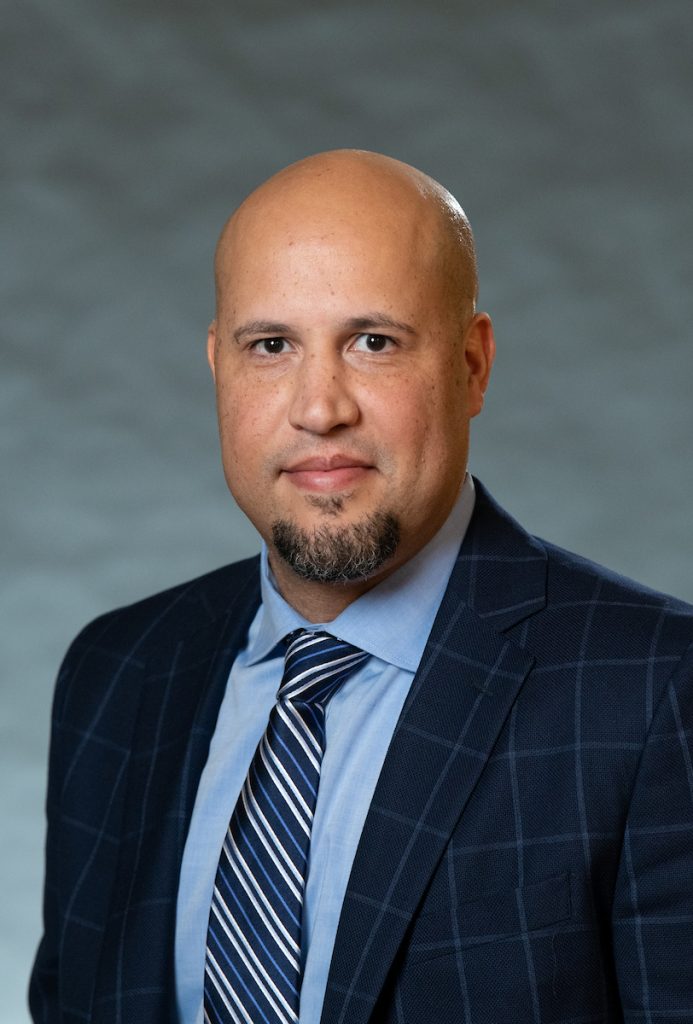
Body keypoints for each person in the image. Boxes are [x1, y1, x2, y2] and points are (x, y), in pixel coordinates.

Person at [30, 150, 693, 1024]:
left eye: (372, 342)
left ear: (471, 365)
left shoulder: (652, 688)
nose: (318, 407)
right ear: (217, 367)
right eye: (270, 346)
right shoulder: (116, 672)